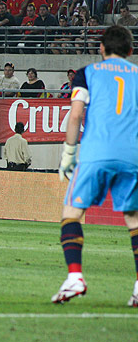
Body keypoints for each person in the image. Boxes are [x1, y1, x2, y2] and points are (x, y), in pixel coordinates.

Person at [53, 25, 138, 306]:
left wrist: (68, 153)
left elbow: (76, 115)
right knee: (134, 219)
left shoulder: (86, 73)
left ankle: (75, 277)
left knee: (72, 213)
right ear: (130, 51)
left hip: (95, 153)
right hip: (132, 155)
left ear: (101, 48)